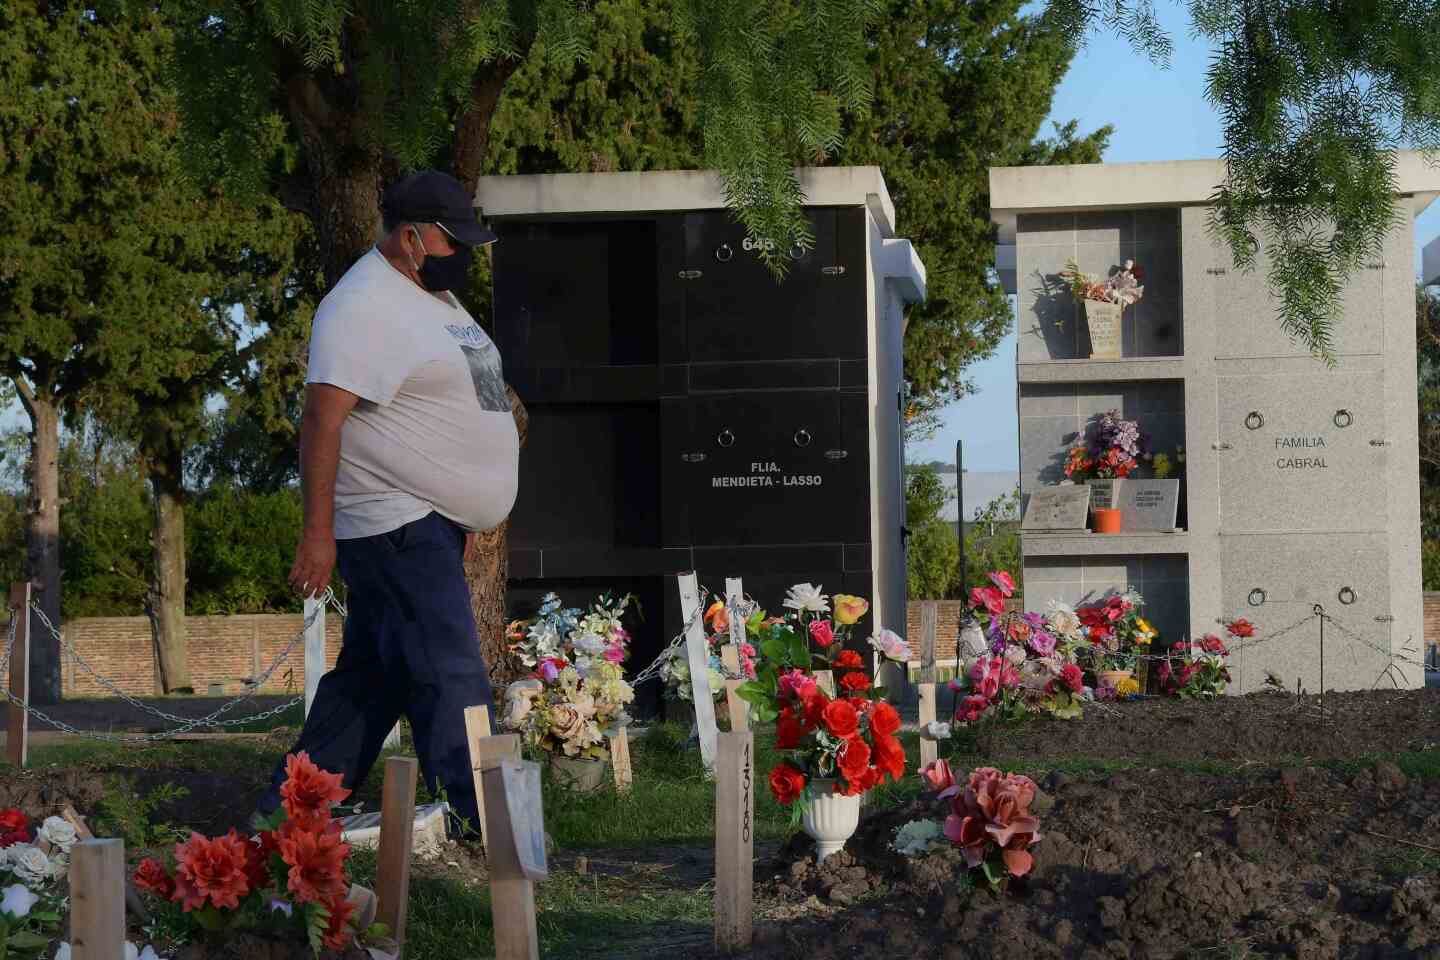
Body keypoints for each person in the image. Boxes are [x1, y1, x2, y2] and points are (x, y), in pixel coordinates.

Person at [254, 170, 518, 834]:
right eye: (451, 241)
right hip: (393, 522)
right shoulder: (361, 305)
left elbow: (467, 398)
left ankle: (288, 820)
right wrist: (318, 534)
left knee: (371, 683)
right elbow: (321, 420)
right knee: (451, 674)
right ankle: (480, 828)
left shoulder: (438, 300)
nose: (464, 253)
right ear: (409, 236)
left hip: (426, 523)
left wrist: (460, 508)